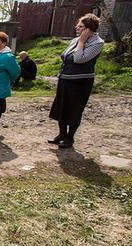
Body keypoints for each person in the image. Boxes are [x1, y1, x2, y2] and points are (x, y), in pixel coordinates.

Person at [48, 13, 104, 148]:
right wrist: (79, 40)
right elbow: (65, 56)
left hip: (80, 82)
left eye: (80, 26)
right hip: (65, 79)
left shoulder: (97, 43)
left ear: (89, 29)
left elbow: (79, 59)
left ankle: (70, 138)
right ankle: (61, 134)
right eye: (77, 26)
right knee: (61, 107)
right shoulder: (75, 40)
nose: (76, 28)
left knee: (74, 110)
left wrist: (82, 42)